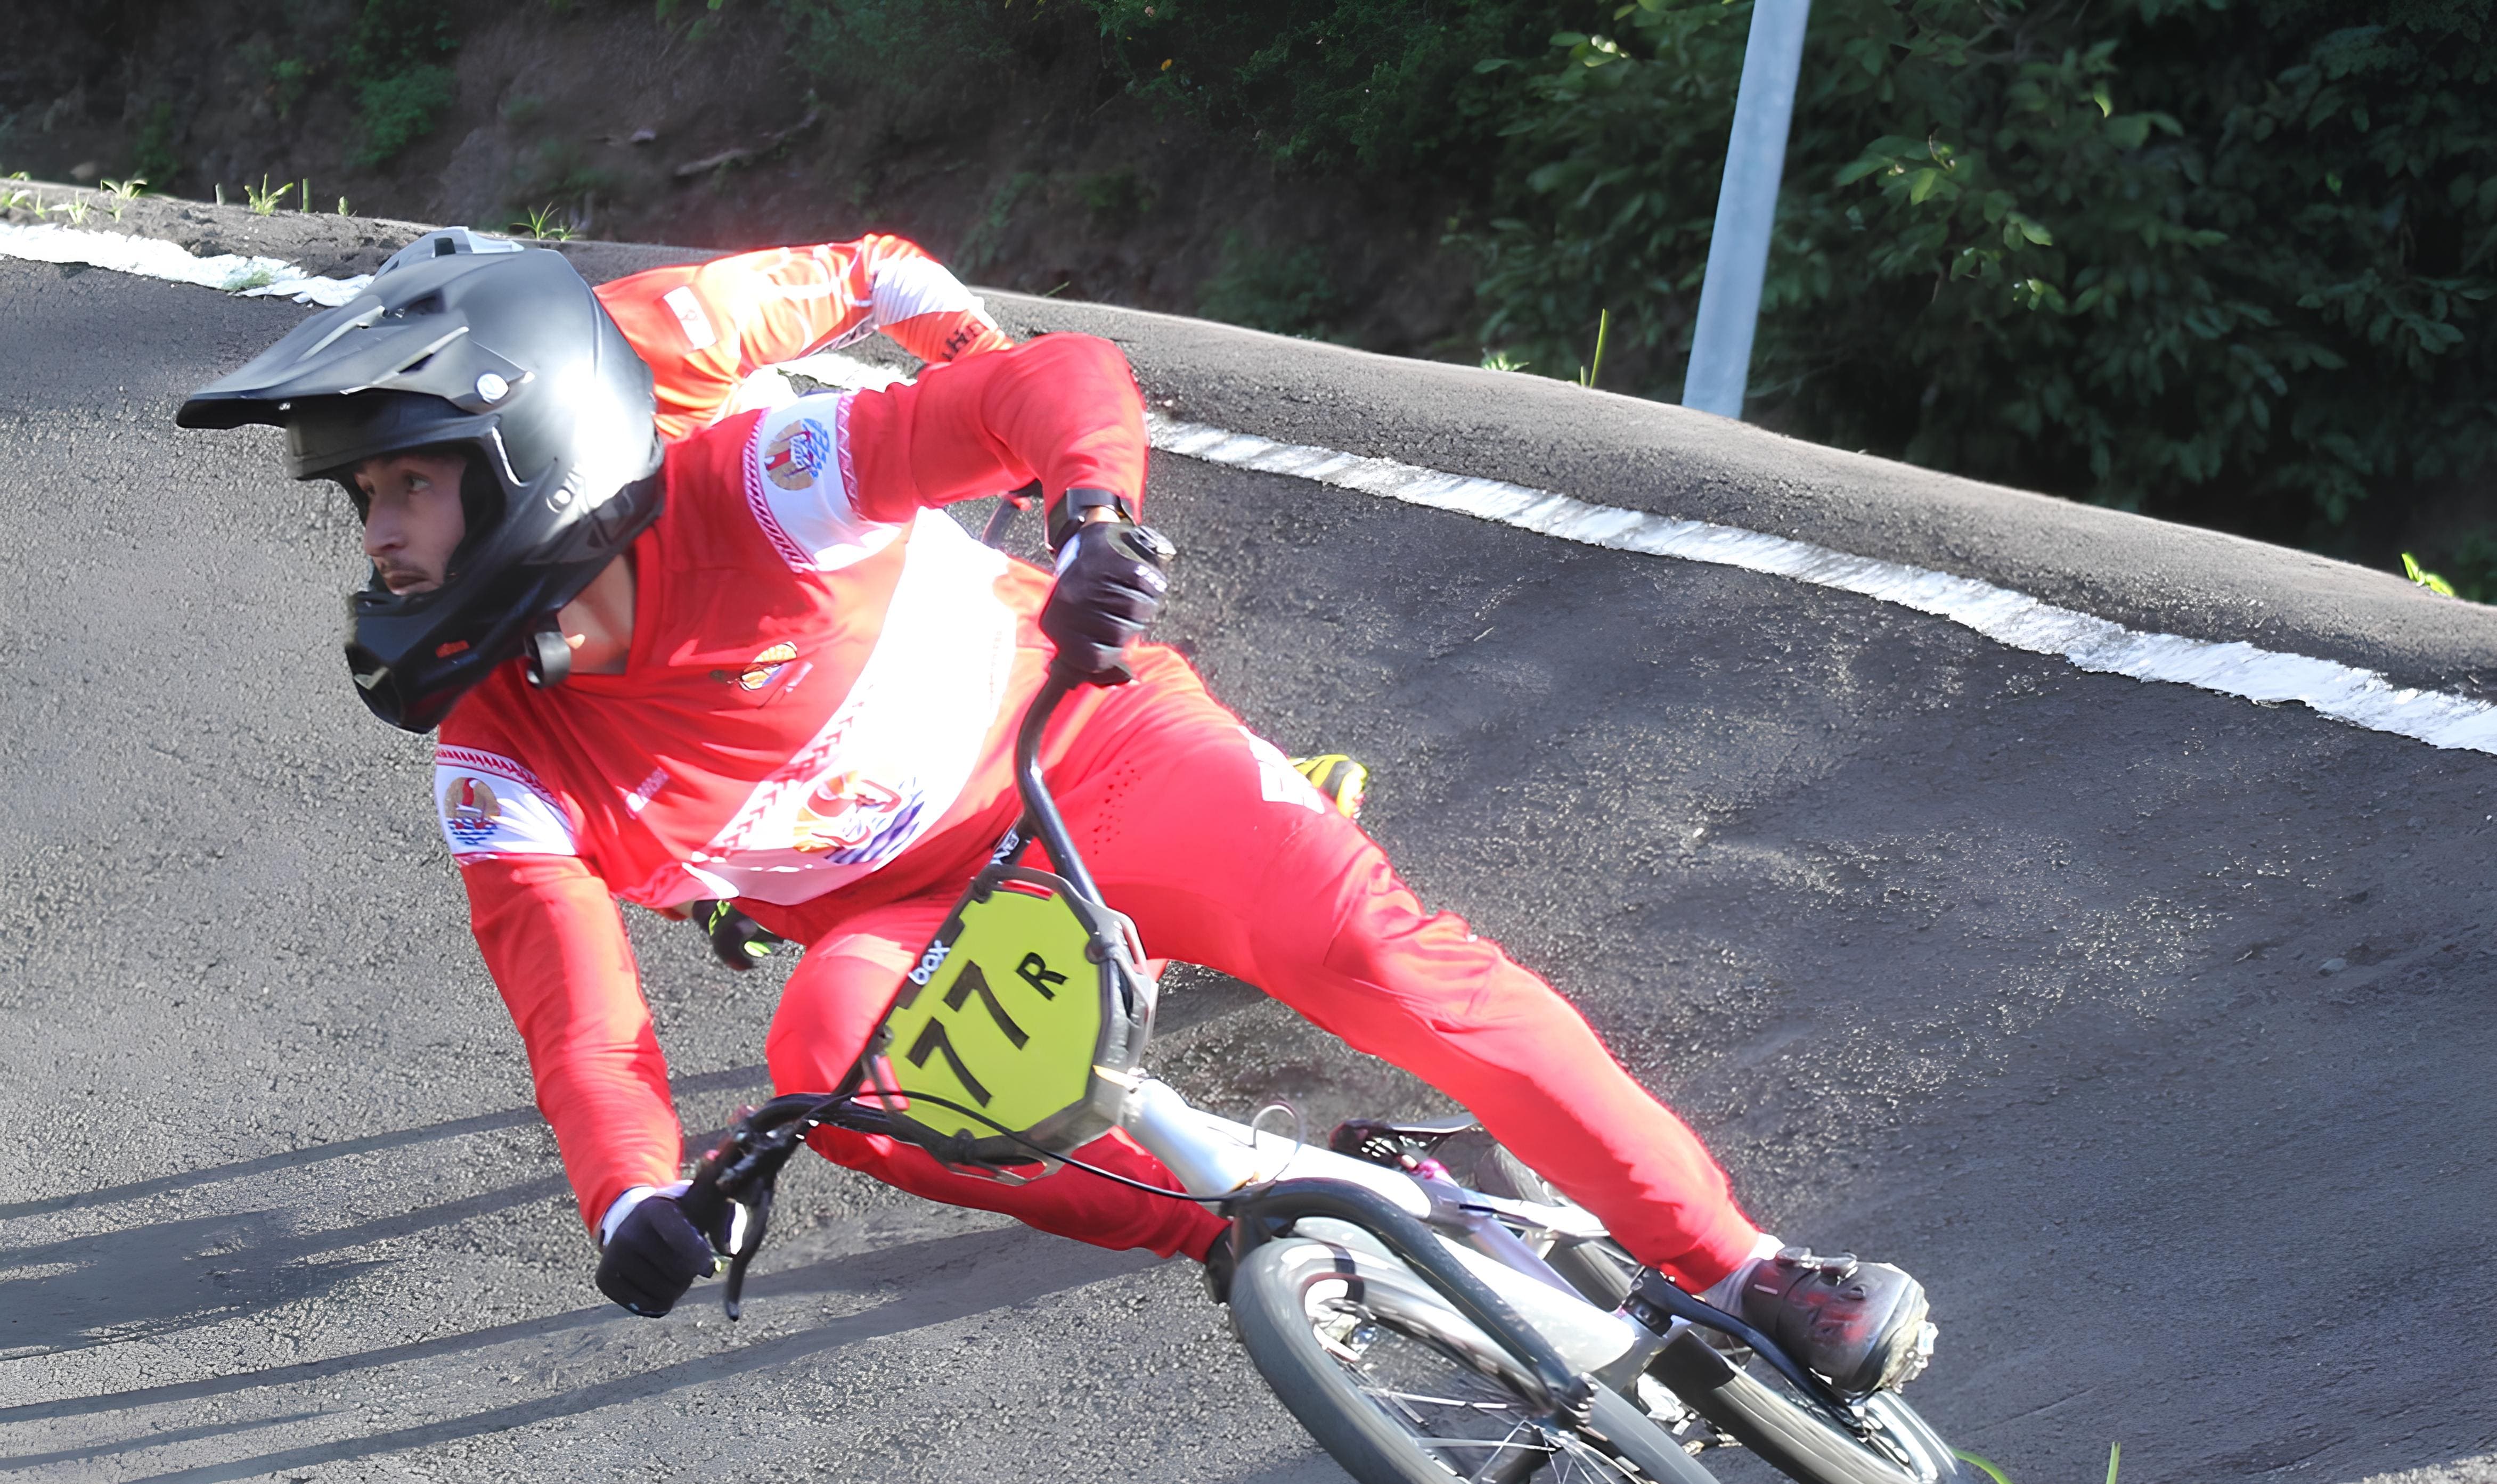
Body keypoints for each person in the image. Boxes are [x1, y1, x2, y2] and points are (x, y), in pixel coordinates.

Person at [177, 229, 1933, 1396]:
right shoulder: (492, 750)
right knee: (831, 1083)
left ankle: (1751, 1265)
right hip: (894, 899)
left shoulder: (760, 483)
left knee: (1364, 947)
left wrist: (1094, 523)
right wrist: (630, 1201)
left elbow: (1053, 380)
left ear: (523, 455)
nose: (377, 538)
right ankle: (1302, 1216)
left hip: (1081, 753)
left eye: (404, 484)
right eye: (366, 499)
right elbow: (582, 1022)